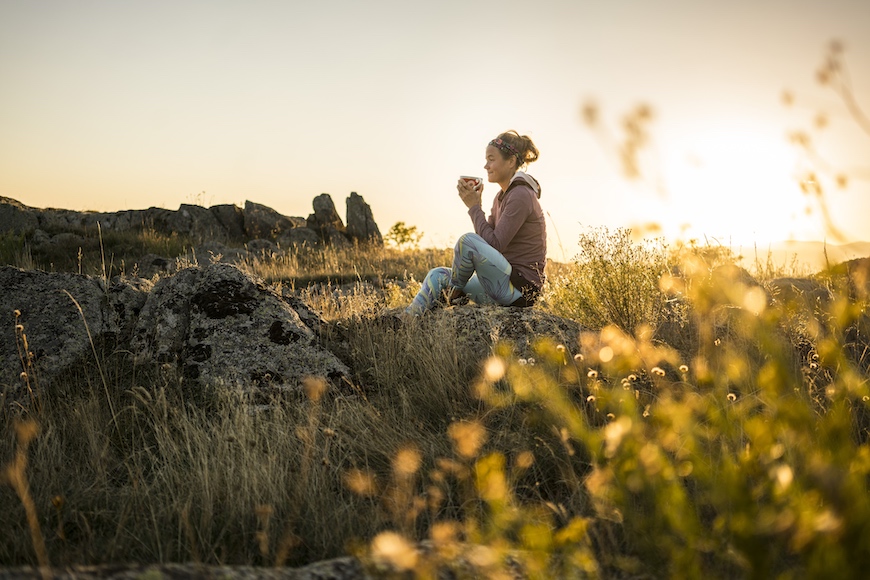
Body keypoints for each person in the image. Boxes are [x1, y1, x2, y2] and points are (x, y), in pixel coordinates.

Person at [406, 130, 546, 315]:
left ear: (511, 161)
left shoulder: (521, 195)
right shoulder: (501, 197)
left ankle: (454, 293)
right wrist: (476, 205)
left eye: (491, 159)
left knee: (468, 241)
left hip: (520, 289)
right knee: (437, 275)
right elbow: (487, 239)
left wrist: (474, 207)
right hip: (500, 283)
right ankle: (407, 320)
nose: (486, 165)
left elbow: (494, 245)